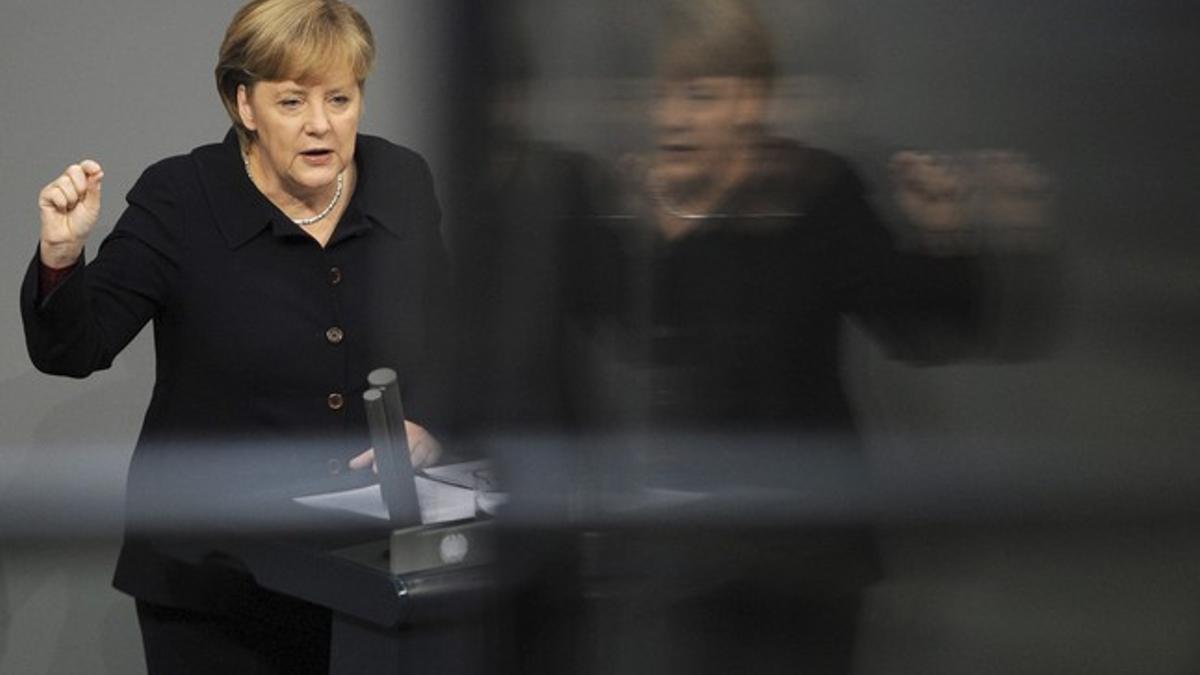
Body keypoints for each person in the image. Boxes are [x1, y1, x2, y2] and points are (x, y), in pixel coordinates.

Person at [541, 1, 1054, 674]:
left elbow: (923, 324)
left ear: (751, 102)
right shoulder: (619, 208)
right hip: (668, 554)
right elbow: (605, 337)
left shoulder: (814, 194)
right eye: (660, 94)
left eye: (698, 94)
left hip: (802, 552)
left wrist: (947, 234)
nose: (671, 117)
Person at [21, 1, 448, 672]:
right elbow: (74, 349)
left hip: (368, 573)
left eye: (340, 98)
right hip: (215, 585)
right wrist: (61, 257)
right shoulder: (180, 197)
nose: (320, 125)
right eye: (291, 101)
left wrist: (428, 421)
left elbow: (443, 334)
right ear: (243, 104)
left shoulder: (401, 180)